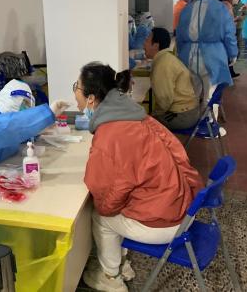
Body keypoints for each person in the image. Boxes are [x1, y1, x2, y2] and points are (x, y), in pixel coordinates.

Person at [76, 62, 204, 292]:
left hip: (165, 222)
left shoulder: (109, 136)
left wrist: (104, 205)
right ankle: (121, 263)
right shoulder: (139, 117)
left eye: (77, 86)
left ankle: (110, 276)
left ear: (91, 99)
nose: (75, 90)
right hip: (184, 206)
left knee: (100, 215)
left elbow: (107, 200)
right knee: (117, 204)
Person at [176, 0, 238, 136]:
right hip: (212, 57)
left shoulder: (187, 9)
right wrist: (233, 53)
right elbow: (229, 34)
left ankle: (193, 122)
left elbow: (179, 35)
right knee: (210, 95)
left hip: (188, 55)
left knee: (192, 93)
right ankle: (210, 127)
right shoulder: (220, 8)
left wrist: (180, 54)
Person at [144, 27, 200, 130]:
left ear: (156, 45)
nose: (144, 44)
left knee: (144, 124)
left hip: (182, 115)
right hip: (190, 110)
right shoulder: (166, 58)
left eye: (147, 41)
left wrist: (152, 115)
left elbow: (165, 100)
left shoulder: (162, 65)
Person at [223, 0, 243, 78]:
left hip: (228, 32)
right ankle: (229, 73)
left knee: (228, 54)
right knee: (229, 54)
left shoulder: (228, 5)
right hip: (227, 33)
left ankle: (231, 72)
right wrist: (235, 20)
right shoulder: (227, 6)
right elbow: (226, 21)